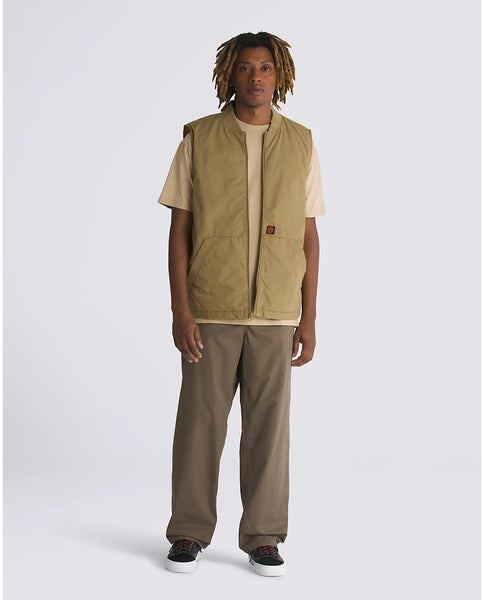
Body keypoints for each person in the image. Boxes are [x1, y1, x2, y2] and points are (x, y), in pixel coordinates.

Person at [157, 31, 326, 576]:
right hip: (211, 308)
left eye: (266, 68)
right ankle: (188, 532)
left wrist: (308, 317)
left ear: (280, 76)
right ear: (229, 73)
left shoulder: (301, 142)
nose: (256, 77)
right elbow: (179, 231)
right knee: (199, 426)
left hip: (276, 312)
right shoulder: (199, 138)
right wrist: (181, 310)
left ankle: (263, 537)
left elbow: (309, 236)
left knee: (270, 431)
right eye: (246, 67)